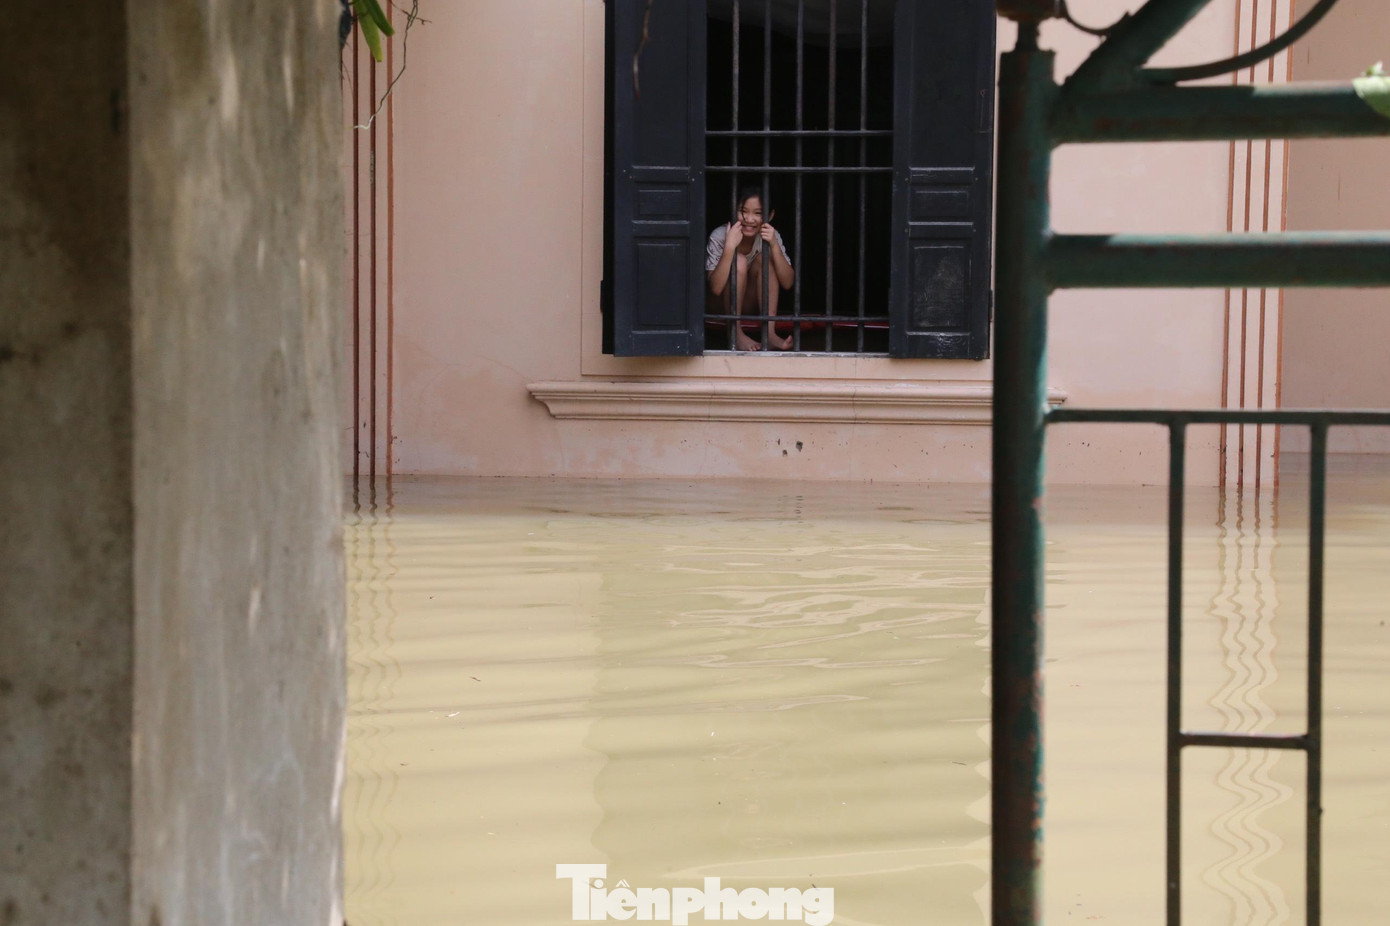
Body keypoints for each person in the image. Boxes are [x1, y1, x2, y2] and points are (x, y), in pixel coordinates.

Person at [706, 188, 796, 351]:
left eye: (758, 213)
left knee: (766, 259)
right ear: (734, 210)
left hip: (751, 304)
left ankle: (769, 334)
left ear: (770, 215)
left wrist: (774, 245)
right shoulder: (720, 235)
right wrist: (729, 247)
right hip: (721, 306)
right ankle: (736, 334)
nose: (749, 219)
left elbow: (788, 282)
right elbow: (716, 288)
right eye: (743, 211)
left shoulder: (770, 236)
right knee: (739, 261)